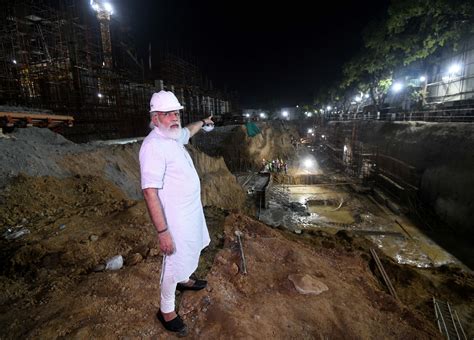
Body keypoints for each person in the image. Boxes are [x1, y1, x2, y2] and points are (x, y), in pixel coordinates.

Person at [139, 90, 214, 336]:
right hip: (175, 220)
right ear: (155, 117)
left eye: (176, 112)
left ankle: (185, 279)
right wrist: (163, 232)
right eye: (166, 114)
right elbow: (149, 192)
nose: (173, 117)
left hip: (191, 211)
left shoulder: (172, 135)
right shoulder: (153, 146)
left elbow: (187, 131)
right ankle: (167, 310)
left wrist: (203, 122)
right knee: (174, 261)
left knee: (193, 248)